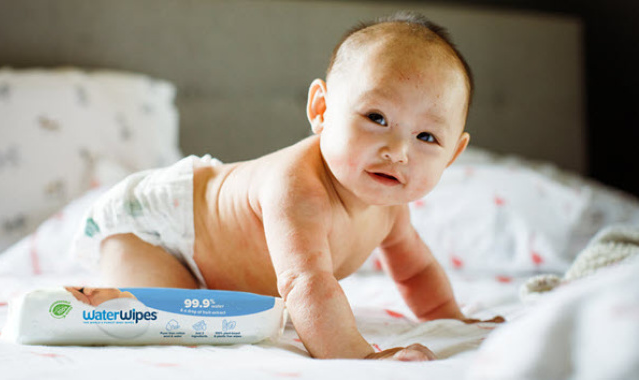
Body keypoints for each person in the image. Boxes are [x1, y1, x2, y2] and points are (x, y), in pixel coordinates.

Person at [71, 11, 503, 361]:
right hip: (162, 233)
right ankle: (86, 298)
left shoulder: (391, 206)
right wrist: (358, 358)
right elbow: (305, 283)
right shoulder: (298, 188)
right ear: (321, 108)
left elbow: (416, 271)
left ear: (453, 153)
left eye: (427, 137)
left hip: (208, 259)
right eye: (376, 118)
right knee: (162, 318)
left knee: (214, 317)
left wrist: (452, 320)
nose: (398, 151)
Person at [64, 286, 137, 307]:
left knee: (126, 296)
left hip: (119, 298)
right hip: (106, 310)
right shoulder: (85, 299)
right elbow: (84, 302)